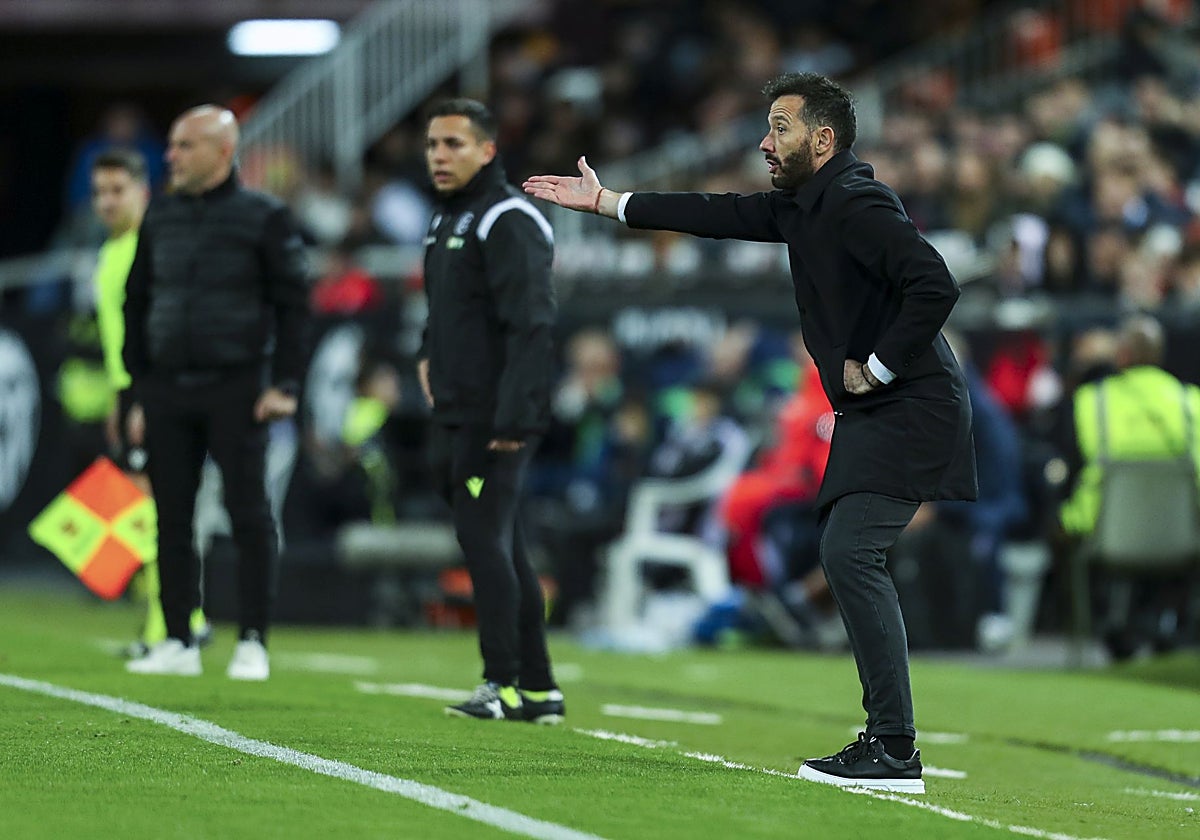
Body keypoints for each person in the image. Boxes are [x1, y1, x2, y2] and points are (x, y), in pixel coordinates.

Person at [525, 72, 977, 791]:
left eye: (780, 129)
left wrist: (879, 368)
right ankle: (890, 745)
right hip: (882, 411)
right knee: (846, 551)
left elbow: (936, 283)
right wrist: (611, 203)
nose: (765, 143)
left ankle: (893, 749)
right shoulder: (811, 205)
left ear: (822, 140)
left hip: (908, 407)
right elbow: (718, 212)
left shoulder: (856, 200)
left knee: (851, 552)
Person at [122, 105, 311, 680]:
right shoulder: (160, 215)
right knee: (171, 517)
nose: (171, 156)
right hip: (167, 386)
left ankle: (253, 639)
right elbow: (137, 302)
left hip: (237, 386)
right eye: (173, 145)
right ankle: (179, 638)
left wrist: (285, 383)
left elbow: (295, 306)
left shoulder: (264, 216)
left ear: (223, 151)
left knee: (248, 512)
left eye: (185, 146)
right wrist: (136, 390)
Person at [419, 98, 563, 723]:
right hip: (462, 409)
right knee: (503, 545)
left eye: (453, 144)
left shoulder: (508, 218)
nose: (439, 156)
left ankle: (499, 682)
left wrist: (514, 418)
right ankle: (538, 687)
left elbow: (532, 326)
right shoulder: (448, 220)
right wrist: (428, 355)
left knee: (483, 541)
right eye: (432, 145)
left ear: (487, 149)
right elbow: (448, 313)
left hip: (494, 417)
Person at [89, 147, 211, 657]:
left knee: (157, 512)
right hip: (128, 388)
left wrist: (145, 397)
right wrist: (119, 399)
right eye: (99, 193)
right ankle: (180, 619)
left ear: (144, 191)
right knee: (141, 513)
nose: (107, 202)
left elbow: (156, 330)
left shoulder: (151, 246)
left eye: (118, 191)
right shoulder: (110, 250)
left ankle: (172, 626)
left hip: (152, 386)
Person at [1058, 314, 1200, 657]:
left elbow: (1072, 468)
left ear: (1121, 356)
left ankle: (1084, 631)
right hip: (1182, 536)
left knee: (1057, 526)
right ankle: (1170, 620)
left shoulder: (1091, 401)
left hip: (1105, 533)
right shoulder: (1189, 401)